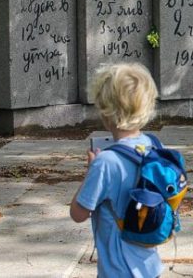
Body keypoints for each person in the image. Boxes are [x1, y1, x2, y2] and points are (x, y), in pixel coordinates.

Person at [70, 63, 163, 278]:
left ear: (105, 112)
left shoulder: (105, 163)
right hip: (151, 268)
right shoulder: (156, 147)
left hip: (118, 271)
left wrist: (90, 172)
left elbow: (78, 213)